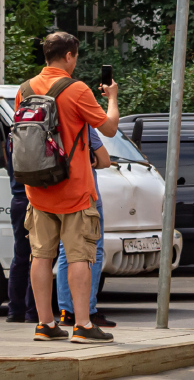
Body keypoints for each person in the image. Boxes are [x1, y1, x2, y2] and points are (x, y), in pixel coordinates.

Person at [16, 31, 119, 343]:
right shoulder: (76, 89)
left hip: (37, 187)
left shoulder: (25, 89)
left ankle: (46, 324)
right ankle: (83, 325)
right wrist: (112, 97)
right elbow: (110, 128)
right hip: (74, 190)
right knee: (79, 257)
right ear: (70, 56)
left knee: (41, 256)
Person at [55, 126, 113, 328]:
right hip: (83, 195)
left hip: (55, 194)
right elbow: (104, 160)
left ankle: (65, 312)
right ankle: (87, 311)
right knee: (91, 252)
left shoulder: (47, 116)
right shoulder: (82, 122)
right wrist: (112, 98)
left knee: (64, 252)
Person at [5, 118, 37, 323]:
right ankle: (33, 311)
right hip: (36, 198)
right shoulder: (41, 135)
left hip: (18, 199)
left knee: (20, 256)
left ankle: (15, 310)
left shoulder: (13, 136)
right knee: (40, 257)